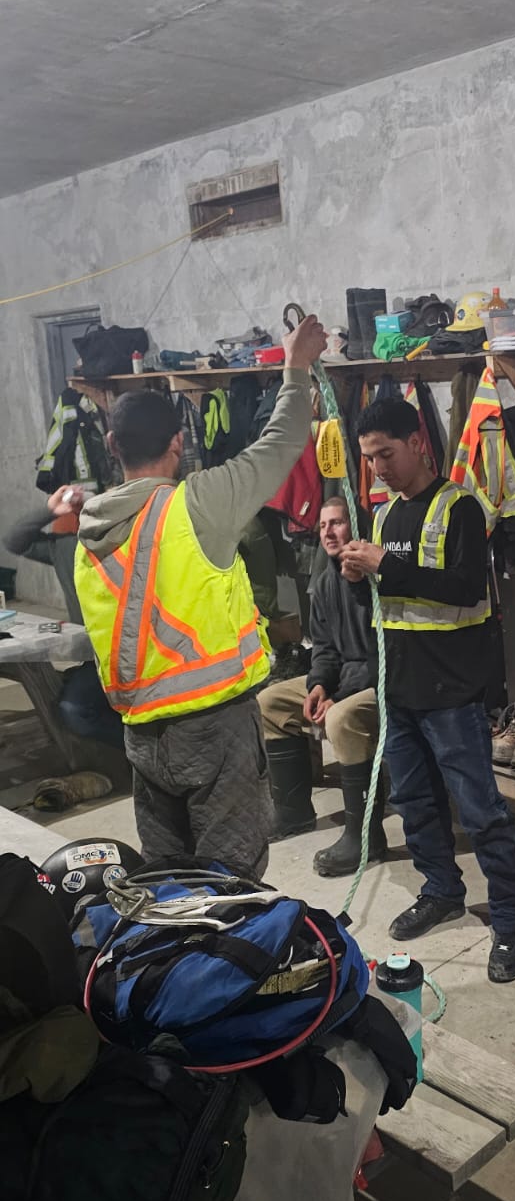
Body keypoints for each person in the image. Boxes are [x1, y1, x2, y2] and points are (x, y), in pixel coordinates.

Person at [74, 314, 325, 878]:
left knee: (168, 877)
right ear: (180, 442)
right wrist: (296, 366)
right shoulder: (196, 506)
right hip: (212, 726)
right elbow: (281, 442)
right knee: (227, 880)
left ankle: (173, 964)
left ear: (112, 445)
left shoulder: (89, 531)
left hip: (140, 733)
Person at [341, 397, 515, 984]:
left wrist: (385, 565)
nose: (379, 467)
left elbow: (461, 587)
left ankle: (511, 915)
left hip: (451, 692)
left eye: (387, 453)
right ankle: (441, 891)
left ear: (417, 443)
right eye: (370, 458)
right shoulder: (381, 515)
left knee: (481, 812)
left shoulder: (461, 507)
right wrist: (357, 576)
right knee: (416, 805)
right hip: (399, 690)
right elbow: (385, 603)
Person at [258, 495, 385, 875]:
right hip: (345, 680)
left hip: (381, 682)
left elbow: (383, 655)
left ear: (356, 529)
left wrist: (338, 695)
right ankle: (293, 811)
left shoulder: (376, 581)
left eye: (338, 523)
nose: (329, 531)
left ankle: (365, 836)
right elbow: (325, 648)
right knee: (271, 702)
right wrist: (318, 686)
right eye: (324, 524)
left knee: (341, 719)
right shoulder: (326, 582)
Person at [3, 485, 123, 748]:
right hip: (99, 661)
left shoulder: (136, 542)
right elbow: (14, 540)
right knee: (73, 710)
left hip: (145, 655)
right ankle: (135, 750)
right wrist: (50, 509)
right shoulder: (68, 548)